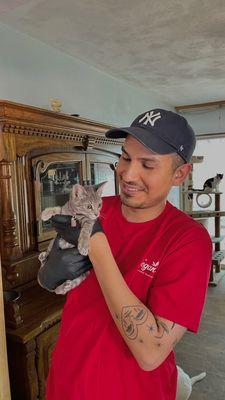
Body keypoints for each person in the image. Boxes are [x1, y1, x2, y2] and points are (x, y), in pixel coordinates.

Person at [46, 109, 212, 400]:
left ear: (179, 174)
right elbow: (51, 279)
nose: (127, 173)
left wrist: (97, 245)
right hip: (68, 382)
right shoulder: (97, 208)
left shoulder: (188, 240)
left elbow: (151, 353)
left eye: (147, 164)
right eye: (125, 157)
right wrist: (49, 273)